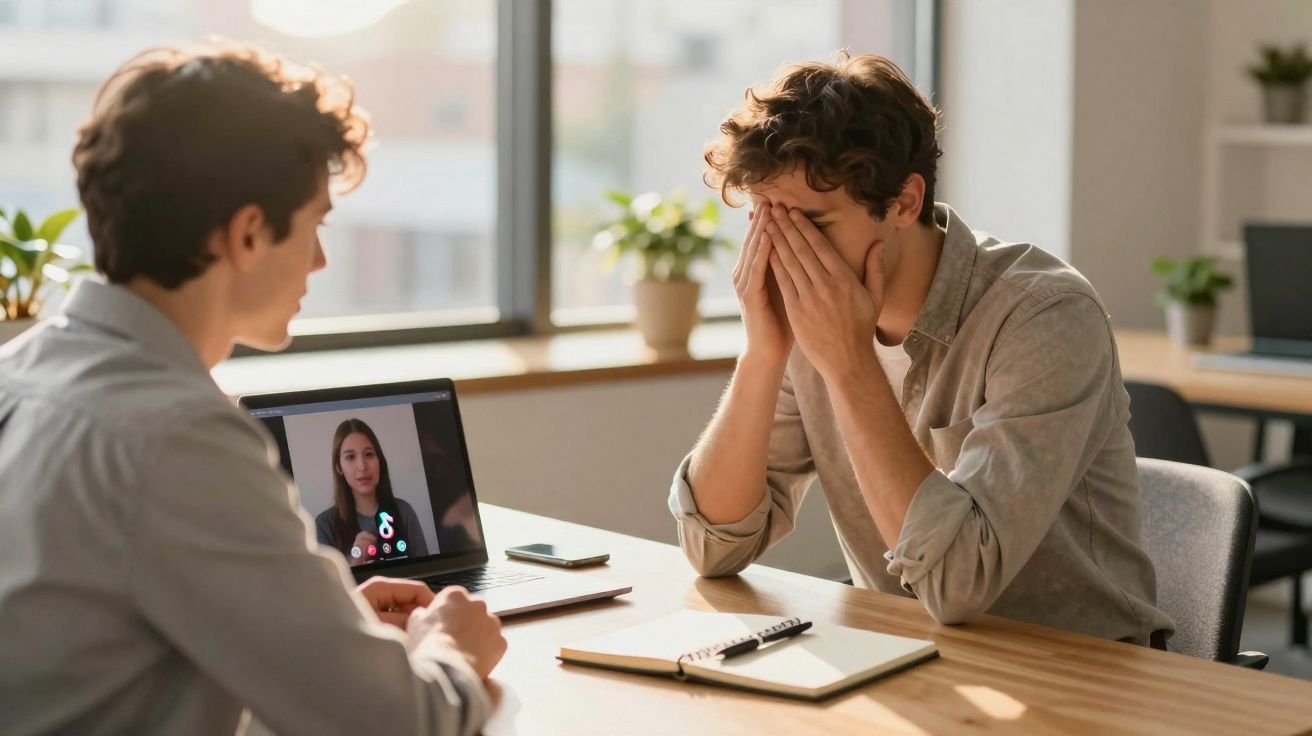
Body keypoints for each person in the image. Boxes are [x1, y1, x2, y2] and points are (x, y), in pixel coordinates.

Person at [0, 42, 504, 735]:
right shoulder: (178, 436)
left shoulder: (20, 374)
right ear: (247, 233)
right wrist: (451, 643)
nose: (321, 259)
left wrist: (332, 621)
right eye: (315, 225)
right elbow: (398, 724)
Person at [668, 51, 1175, 648]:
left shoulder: (1044, 315)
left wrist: (851, 363)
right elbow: (714, 547)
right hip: (910, 659)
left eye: (813, 225)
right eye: (766, 223)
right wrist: (762, 354)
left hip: (1084, 674)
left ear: (905, 202)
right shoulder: (807, 321)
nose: (785, 252)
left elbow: (958, 584)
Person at [317, 417, 433, 564]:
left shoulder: (404, 511)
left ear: (380, 461)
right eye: (350, 457)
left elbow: (425, 571)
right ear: (339, 467)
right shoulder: (324, 525)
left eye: (369, 454)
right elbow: (327, 587)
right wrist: (356, 559)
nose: (362, 466)